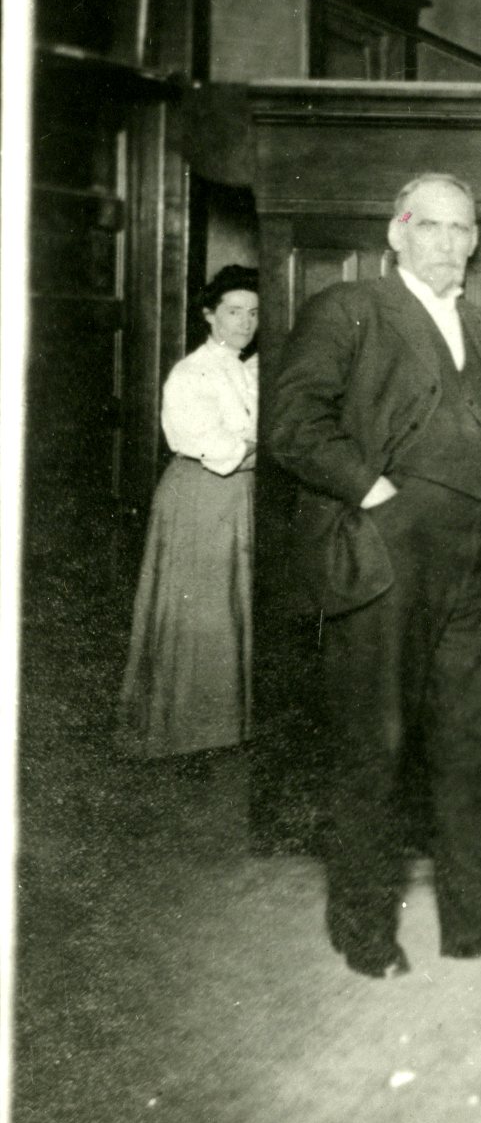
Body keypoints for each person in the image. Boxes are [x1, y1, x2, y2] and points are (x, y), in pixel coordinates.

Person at [268, 172, 481, 980]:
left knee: (477, 739)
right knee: (374, 743)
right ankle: (363, 925)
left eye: (465, 230)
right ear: (397, 233)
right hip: (389, 554)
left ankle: (480, 918)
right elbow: (291, 425)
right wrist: (371, 489)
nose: (451, 244)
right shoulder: (349, 310)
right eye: (434, 227)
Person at [117, 265, 262, 760]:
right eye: (233, 312)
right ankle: (185, 733)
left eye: (253, 312)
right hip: (200, 496)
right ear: (209, 315)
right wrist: (269, 445)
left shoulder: (249, 369)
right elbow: (219, 448)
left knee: (230, 610)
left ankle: (225, 729)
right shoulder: (192, 371)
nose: (245, 322)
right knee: (201, 613)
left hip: (238, 497)